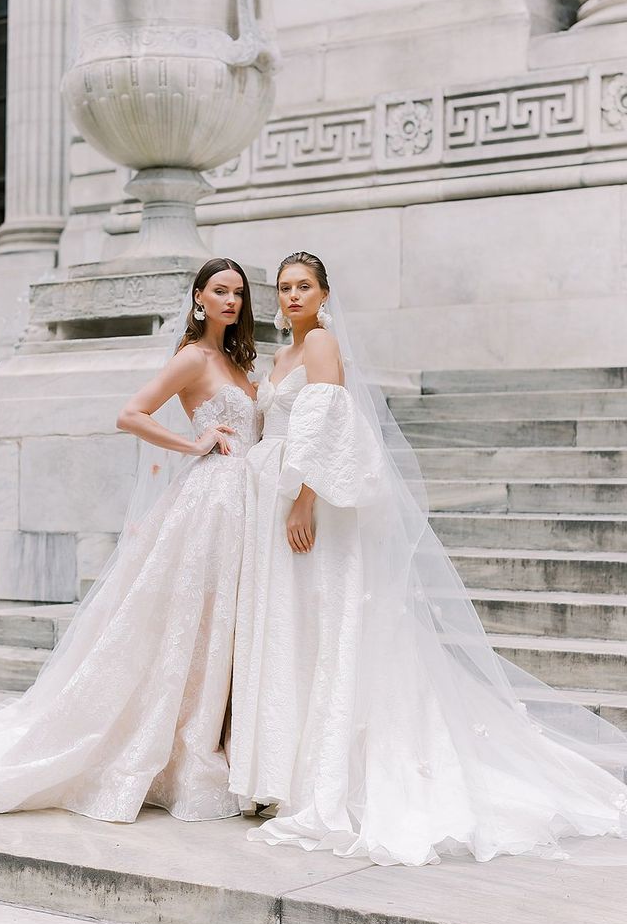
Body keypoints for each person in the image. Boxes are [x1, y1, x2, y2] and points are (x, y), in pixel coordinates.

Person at [230, 251, 627, 867]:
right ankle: (286, 768)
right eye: (283, 288)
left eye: (303, 286)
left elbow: (327, 431)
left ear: (325, 292)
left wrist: (303, 500)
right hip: (276, 503)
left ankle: (328, 772)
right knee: (299, 630)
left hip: (313, 507)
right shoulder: (284, 355)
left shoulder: (322, 348)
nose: (290, 297)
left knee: (329, 625)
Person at [0, 257, 259, 823]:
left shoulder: (239, 360)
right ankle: (176, 746)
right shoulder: (193, 357)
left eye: (237, 292)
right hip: (209, 501)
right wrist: (194, 444)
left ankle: (222, 736)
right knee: (194, 619)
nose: (230, 301)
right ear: (198, 298)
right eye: (219, 291)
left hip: (245, 505)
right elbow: (129, 414)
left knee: (220, 623)